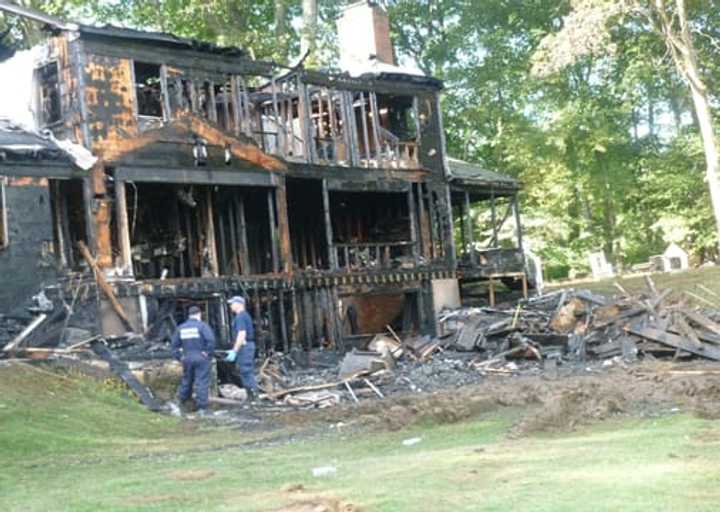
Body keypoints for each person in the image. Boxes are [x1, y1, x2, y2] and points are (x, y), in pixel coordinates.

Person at [171, 305, 216, 414]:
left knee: (187, 380)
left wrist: (179, 357)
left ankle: (181, 402)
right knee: (201, 382)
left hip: (187, 358)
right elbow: (211, 340)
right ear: (199, 314)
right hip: (201, 358)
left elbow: (174, 345)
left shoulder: (181, 327)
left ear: (189, 315)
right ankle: (202, 408)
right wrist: (208, 353)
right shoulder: (202, 326)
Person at [224, 296, 258, 401]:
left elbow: (242, 334)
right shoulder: (244, 316)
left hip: (245, 347)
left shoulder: (240, 317)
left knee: (246, 371)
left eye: (232, 303)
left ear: (239, 304)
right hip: (246, 346)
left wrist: (234, 351)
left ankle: (253, 398)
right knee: (245, 372)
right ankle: (251, 397)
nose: (230, 306)